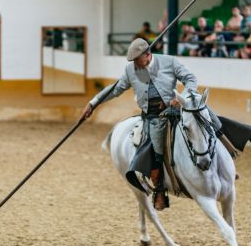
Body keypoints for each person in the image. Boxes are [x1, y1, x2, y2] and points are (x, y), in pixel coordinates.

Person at [80, 38, 200, 210]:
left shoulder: (169, 62)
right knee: (156, 147)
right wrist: (94, 103)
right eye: (133, 61)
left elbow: (191, 79)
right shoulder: (131, 70)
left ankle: (224, 160)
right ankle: (160, 189)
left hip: (175, 110)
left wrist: (180, 97)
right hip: (153, 117)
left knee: (205, 120)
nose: (135, 64)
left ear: (147, 54)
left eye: (137, 59)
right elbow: (116, 89)